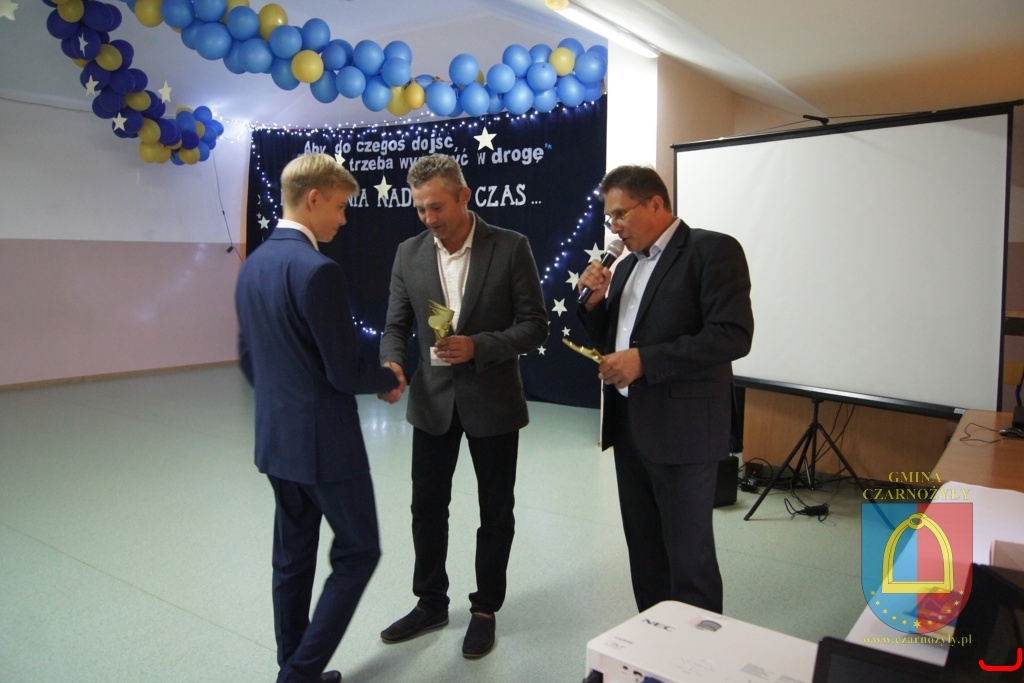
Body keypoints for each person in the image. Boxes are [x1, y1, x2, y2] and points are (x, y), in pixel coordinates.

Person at [235, 153, 402, 683]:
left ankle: (291, 664)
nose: (343, 219)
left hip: (276, 441)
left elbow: (249, 361)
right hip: (325, 447)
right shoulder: (318, 271)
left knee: (293, 555)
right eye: (340, 206)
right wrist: (389, 376)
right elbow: (343, 372)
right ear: (313, 199)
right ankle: (299, 675)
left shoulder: (252, 266)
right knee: (359, 551)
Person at [377, 153, 548, 659]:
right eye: (420, 209)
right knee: (426, 507)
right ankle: (430, 602)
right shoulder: (407, 253)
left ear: (464, 197)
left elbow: (535, 326)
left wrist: (480, 346)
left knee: (495, 510)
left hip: (493, 402)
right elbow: (395, 324)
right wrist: (391, 362)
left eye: (437, 207)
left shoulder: (511, 247)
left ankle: (485, 608)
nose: (429, 218)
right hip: (432, 403)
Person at [576, 164, 753, 615]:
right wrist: (594, 305)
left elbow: (732, 335)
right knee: (645, 550)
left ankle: (696, 649)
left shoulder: (712, 250)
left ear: (656, 204)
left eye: (621, 214)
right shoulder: (626, 266)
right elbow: (615, 339)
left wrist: (646, 361)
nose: (614, 227)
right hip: (630, 427)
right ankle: (652, 636)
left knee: (688, 558)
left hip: (684, 431)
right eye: (609, 218)